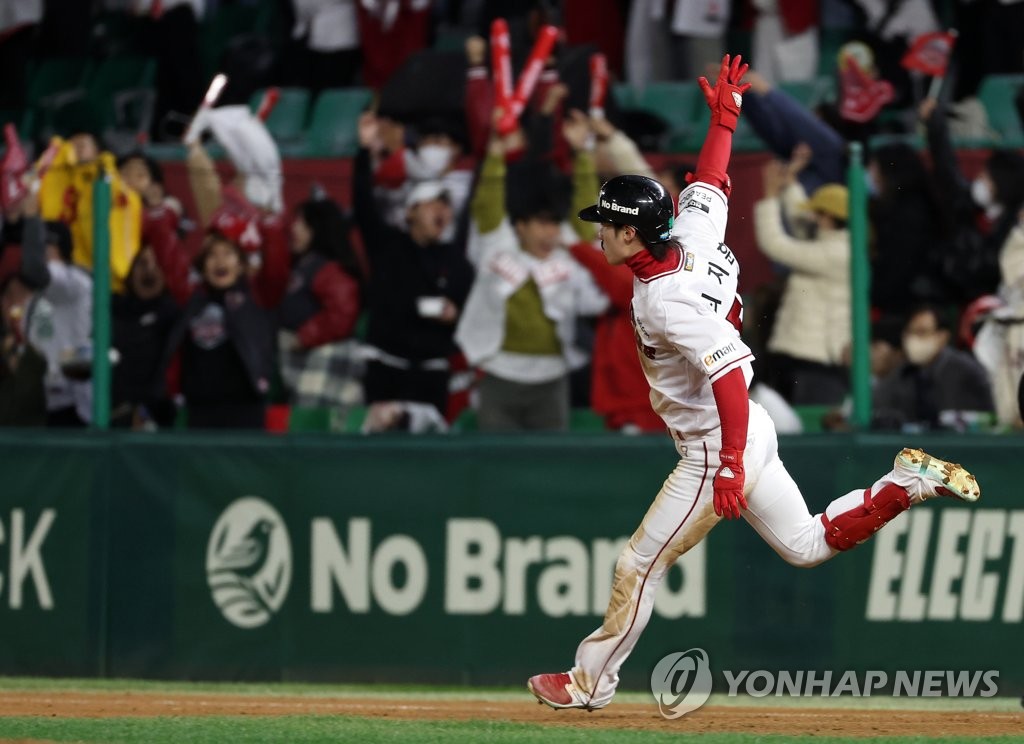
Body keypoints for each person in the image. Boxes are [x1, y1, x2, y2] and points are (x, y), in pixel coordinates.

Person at [527, 54, 981, 712]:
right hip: (749, 428)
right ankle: (906, 484)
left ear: (632, 232)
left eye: (607, 224)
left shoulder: (666, 300)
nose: (599, 232)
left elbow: (732, 374)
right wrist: (726, 117)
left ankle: (586, 683)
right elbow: (712, 180)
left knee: (637, 566)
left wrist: (730, 466)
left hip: (719, 440)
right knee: (804, 544)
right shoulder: (691, 229)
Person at [755, 154, 850, 405]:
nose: (812, 218)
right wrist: (790, 183)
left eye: (817, 214)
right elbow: (802, 221)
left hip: (812, 362)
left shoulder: (837, 253)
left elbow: (775, 244)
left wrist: (770, 196)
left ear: (828, 219)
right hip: (799, 354)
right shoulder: (833, 241)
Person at [873, 306, 995, 432]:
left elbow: (990, 420)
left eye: (922, 332)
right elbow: (879, 405)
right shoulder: (901, 374)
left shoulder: (967, 372)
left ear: (942, 337)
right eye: (909, 332)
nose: (913, 339)